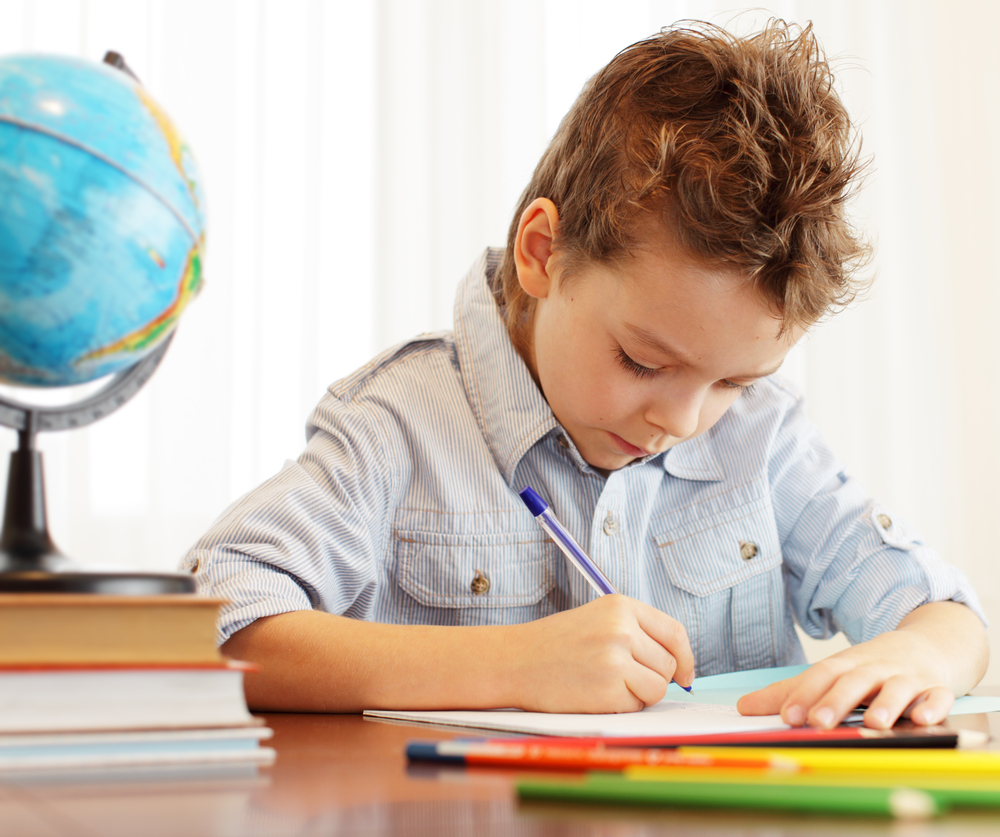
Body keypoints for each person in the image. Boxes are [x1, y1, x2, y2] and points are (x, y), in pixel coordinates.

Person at [184, 20, 988, 729]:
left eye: (732, 382)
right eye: (643, 360)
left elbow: (949, 618)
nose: (682, 418)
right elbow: (212, 624)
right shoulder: (400, 423)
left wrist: (921, 658)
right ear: (543, 253)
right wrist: (513, 665)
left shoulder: (762, 437)